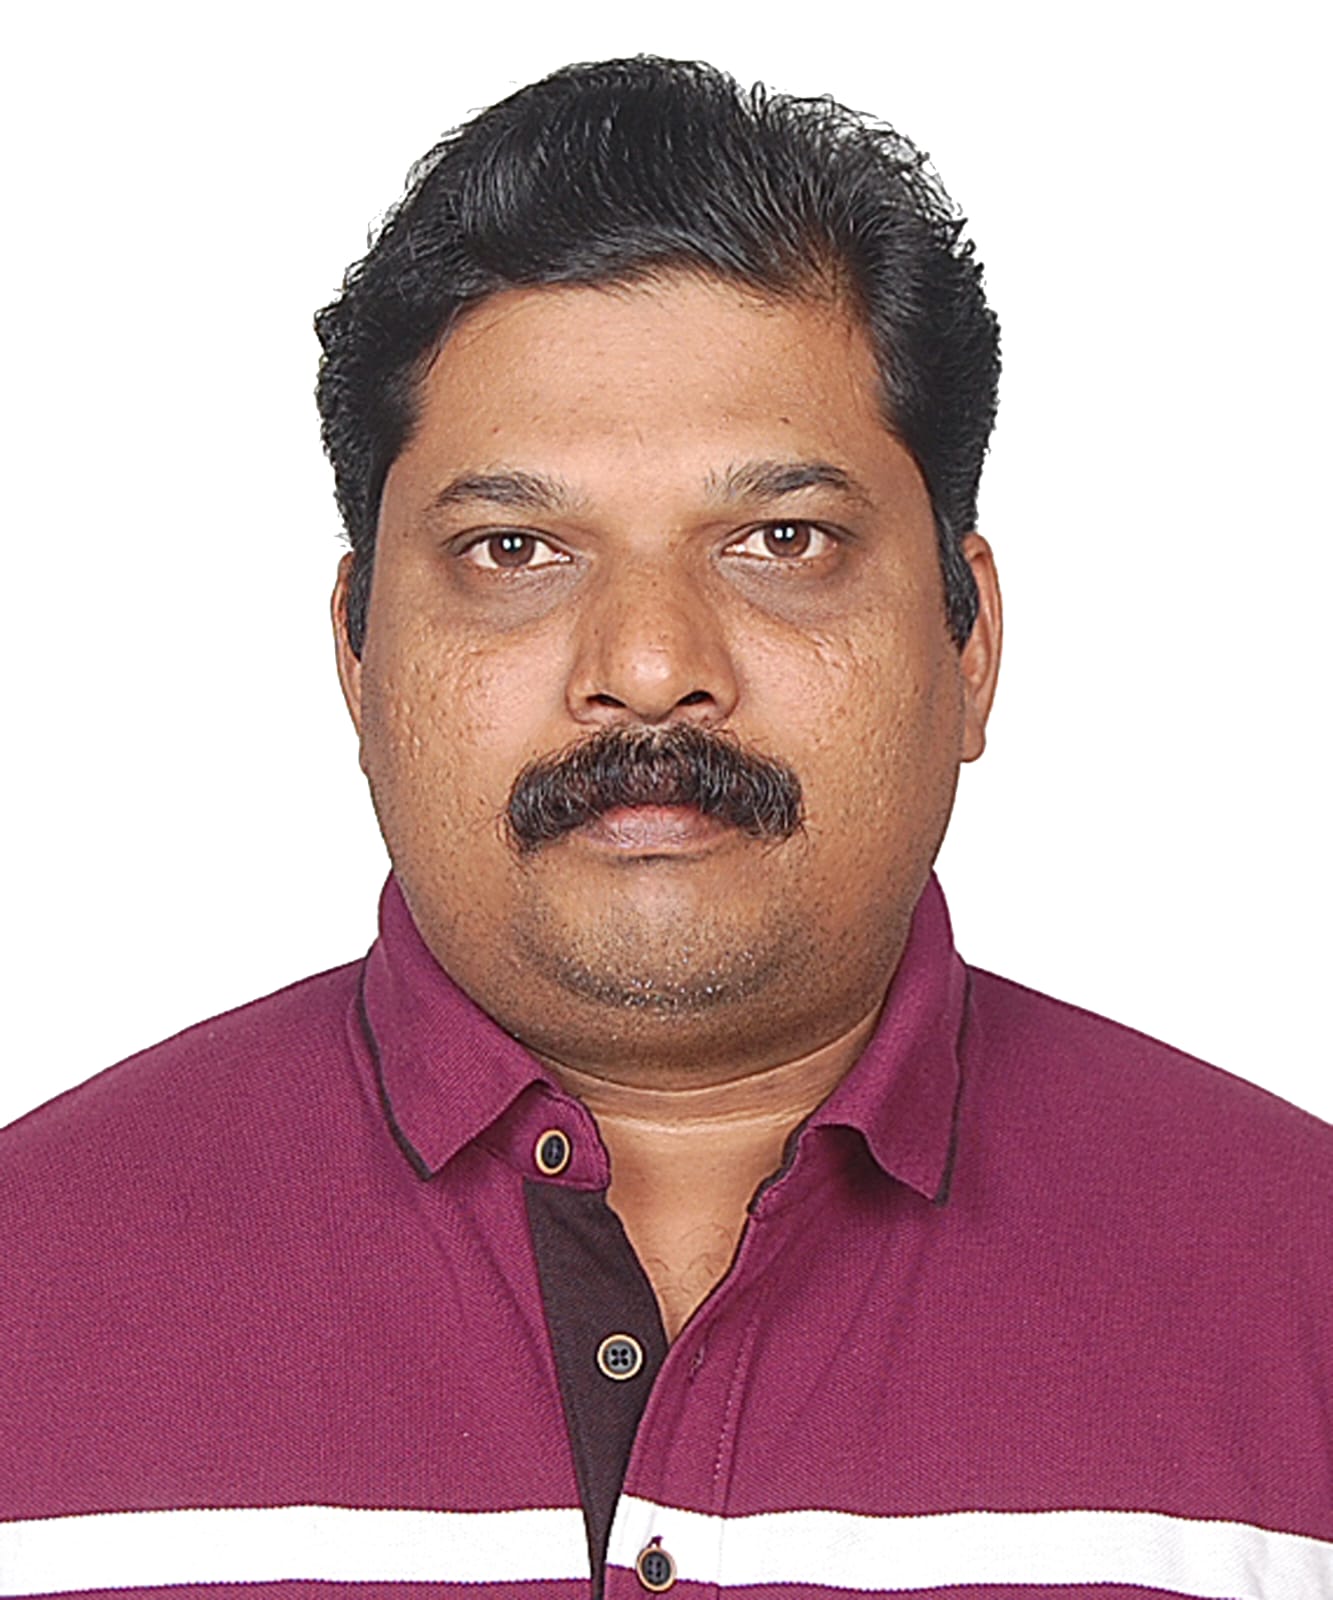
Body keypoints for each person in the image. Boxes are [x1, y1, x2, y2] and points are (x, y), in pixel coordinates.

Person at [1, 54, 1329, 1600]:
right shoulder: (26, 1288)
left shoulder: (1301, 1282)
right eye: (514, 549)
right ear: (356, 656)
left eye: (782, 539)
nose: (645, 666)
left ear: (967, 641)